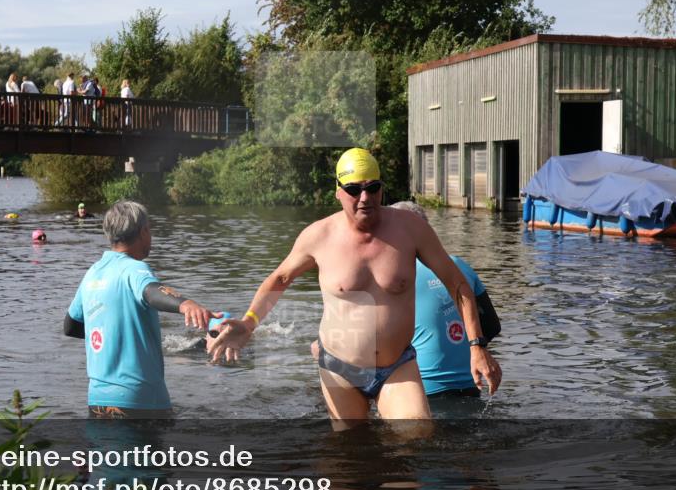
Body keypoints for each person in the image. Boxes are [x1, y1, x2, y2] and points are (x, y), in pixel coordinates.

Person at [208, 148, 502, 423]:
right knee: (350, 456)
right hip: (339, 368)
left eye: (372, 188)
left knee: (415, 439)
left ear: (381, 189)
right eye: (353, 190)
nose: (364, 197)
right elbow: (280, 279)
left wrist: (476, 347)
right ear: (338, 192)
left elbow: (457, 283)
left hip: (396, 365)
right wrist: (248, 324)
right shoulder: (318, 236)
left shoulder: (410, 229)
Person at [63, 200, 220, 417]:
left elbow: (70, 326)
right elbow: (152, 291)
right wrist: (186, 304)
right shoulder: (134, 268)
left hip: (97, 401)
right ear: (143, 231)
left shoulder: (93, 272)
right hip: (140, 400)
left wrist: (116, 337)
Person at [389, 202, 500, 397]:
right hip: (472, 382)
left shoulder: (394, 276)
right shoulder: (459, 265)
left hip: (420, 391)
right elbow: (491, 326)